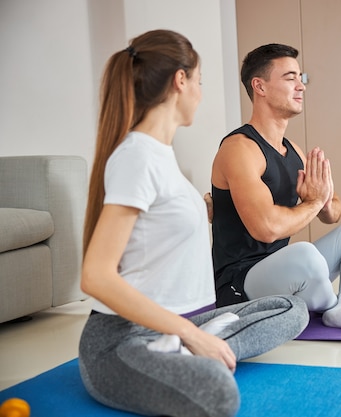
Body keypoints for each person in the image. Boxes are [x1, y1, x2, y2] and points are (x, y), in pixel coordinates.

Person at [78, 31, 309, 417]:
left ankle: (192, 349)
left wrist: (208, 204)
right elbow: (96, 277)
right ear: (180, 81)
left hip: (178, 324)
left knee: (291, 308)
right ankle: (193, 350)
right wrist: (189, 334)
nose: (201, 93)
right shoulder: (138, 156)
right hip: (123, 342)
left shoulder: (160, 154)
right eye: (199, 82)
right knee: (218, 393)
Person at [210, 43, 341, 334]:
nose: (301, 86)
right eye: (290, 77)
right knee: (304, 255)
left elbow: (333, 212)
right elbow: (266, 228)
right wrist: (313, 203)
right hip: (240, 285)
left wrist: (323, 201)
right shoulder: (239, 149)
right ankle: (335, 304)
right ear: (260, 86)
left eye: (300, 78)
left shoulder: (292, 149)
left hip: (287, 272)